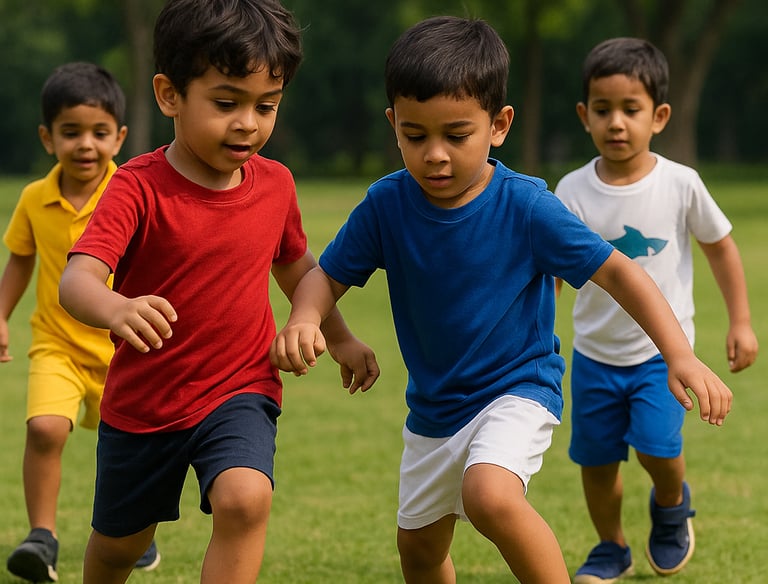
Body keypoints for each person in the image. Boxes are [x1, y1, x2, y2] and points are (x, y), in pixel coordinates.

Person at [269, 17, 733, 584]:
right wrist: (307, 317)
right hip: (434, 410)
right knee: (419, 548)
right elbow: (326, 276)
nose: (435, 155)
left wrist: (678, 354)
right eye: (415, 136)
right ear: (393, 124)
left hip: (517, 389)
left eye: (456, 135)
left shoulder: (527, 207)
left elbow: (619, 272)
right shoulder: (386, 206)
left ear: (499, 125)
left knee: (489, 494)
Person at [57, 1, 379, 583]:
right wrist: (117, 307)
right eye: (227, 103)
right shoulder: (135, 187)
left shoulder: (276, 184)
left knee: (245, 498)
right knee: (119, 548)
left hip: (240, 387)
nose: (248, 123)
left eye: (266, 106)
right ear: (170, 95)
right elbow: (76, 280)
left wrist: (338, 336)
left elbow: (296, 267)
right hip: (145, 406)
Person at [554, 37, 758, 583]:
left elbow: (721, 247)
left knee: (658, 450)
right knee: (596, 463)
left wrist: (740, 321)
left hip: (663, 356)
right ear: (584, 116)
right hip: (594, 357)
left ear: (659, 117)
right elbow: (551, 273)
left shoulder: (680, 183)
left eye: (631, 109)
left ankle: (671, 506)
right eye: (603, 110)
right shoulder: (571, 191)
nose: (616, 123)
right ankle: (611, 547)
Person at [1, 62, 161, 583]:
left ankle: (134, 531)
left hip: (125, 349)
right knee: (44, 429)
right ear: (48, 138)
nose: (86, 145)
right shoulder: (33, 199)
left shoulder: (132, 191)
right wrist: (1, 315)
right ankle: (41, 537)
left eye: (99, 132)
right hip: (57, 346)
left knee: (135, 448)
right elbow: (20, 261)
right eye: (71, 132)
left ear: (120, 137)